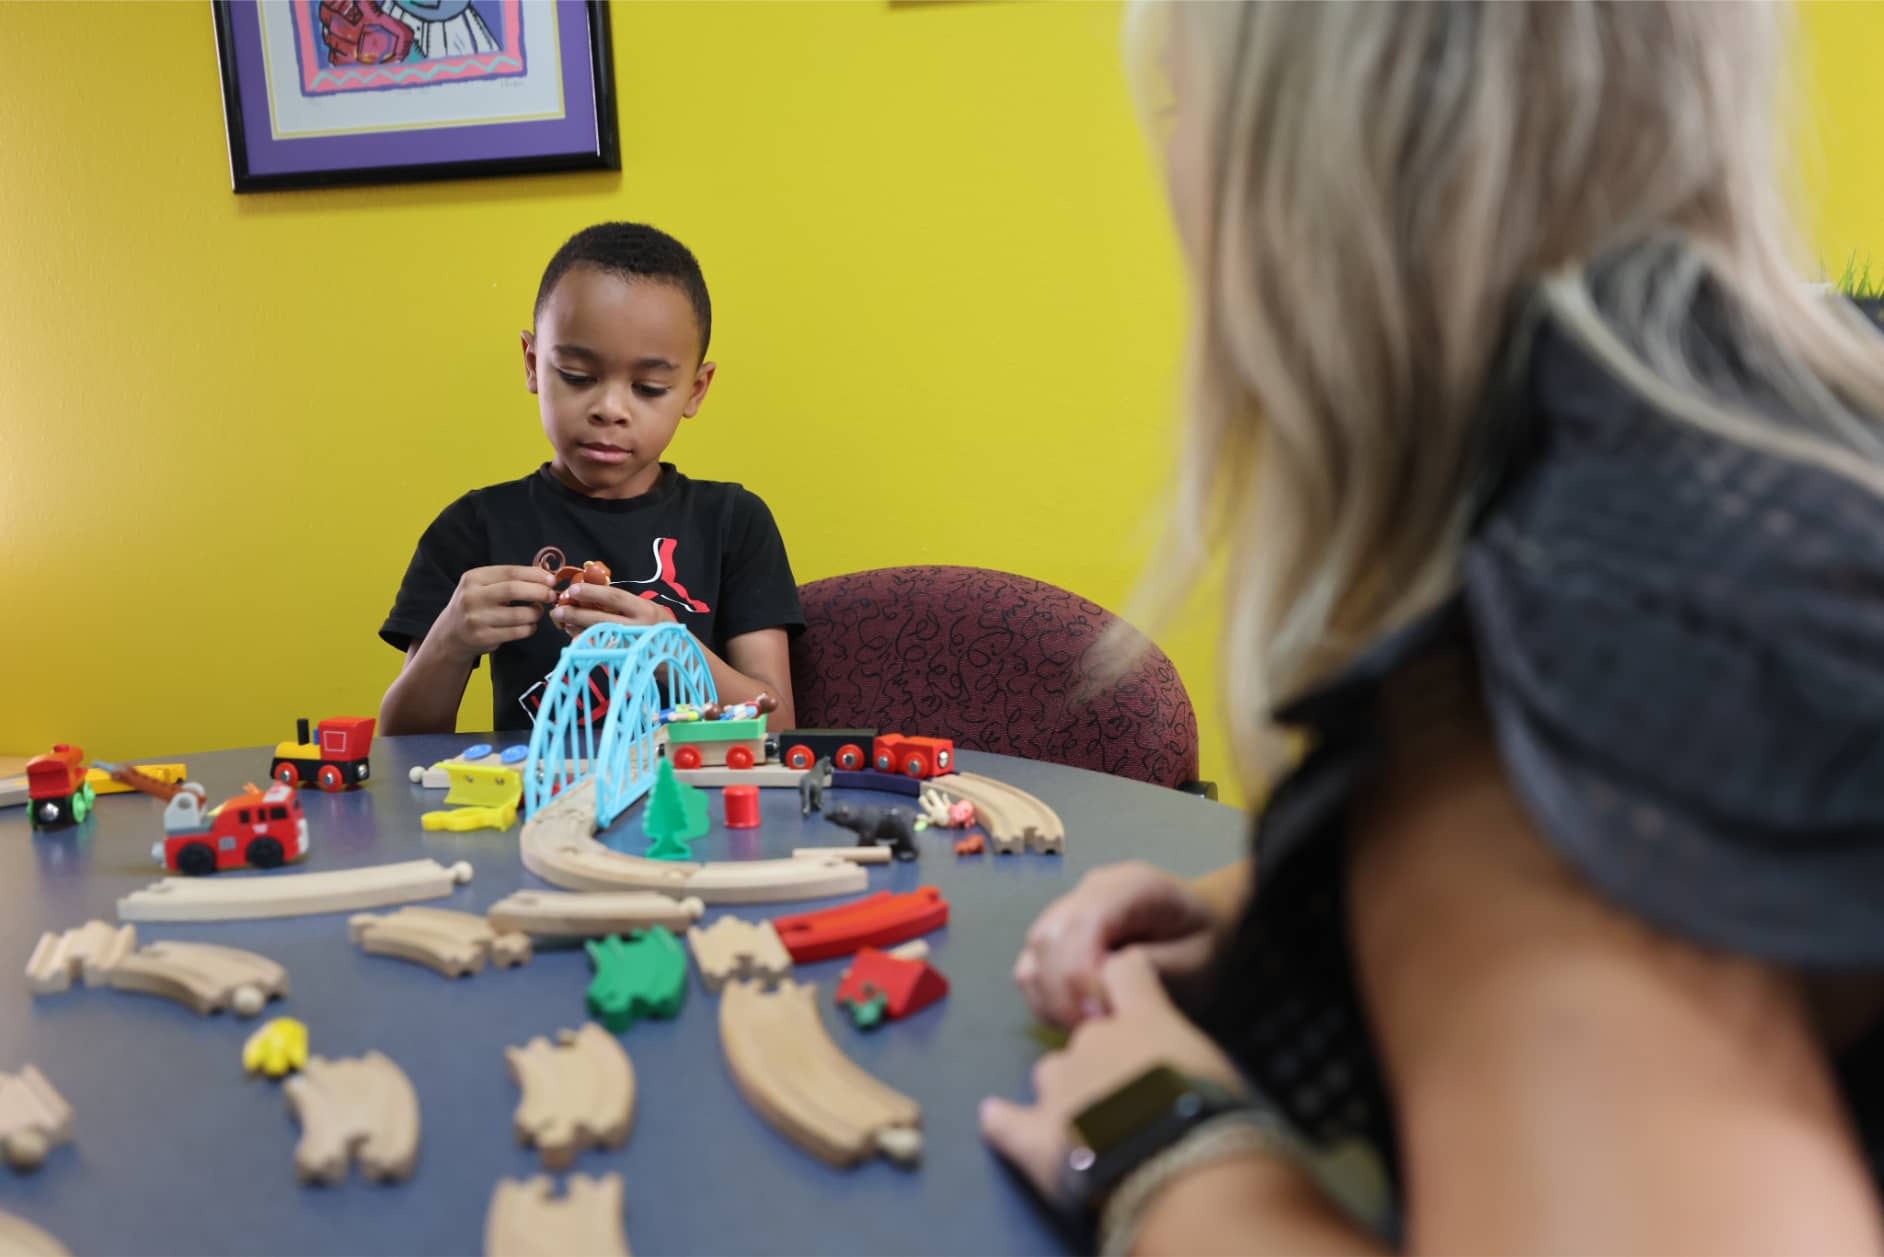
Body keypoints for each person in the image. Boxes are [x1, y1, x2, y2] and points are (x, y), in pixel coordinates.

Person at [980, 3, 1884, 1252]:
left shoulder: (1548, 644)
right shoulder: (1811, 421)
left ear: (1301, 153)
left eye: (1188, 105)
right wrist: (1282, 906)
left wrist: (1164, 1143)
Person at [378, 223, 802, 735]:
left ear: (695, 390)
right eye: (578, 377)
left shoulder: (733, 522)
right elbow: (400, 743)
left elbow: (778, 726)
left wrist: (674, 650)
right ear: (533, 365)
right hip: (536, 805)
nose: (609, 409)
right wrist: (449, 640)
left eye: (649, 387)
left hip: (691, 803)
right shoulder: (476, 526)